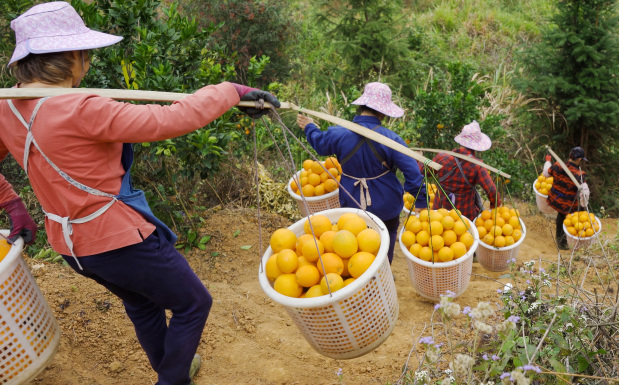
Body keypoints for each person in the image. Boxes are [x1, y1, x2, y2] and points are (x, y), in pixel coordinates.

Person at [0, 2, 280, 385]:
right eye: (85, 55)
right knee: (194, 303)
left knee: (143, 305)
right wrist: (231, 90)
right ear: (72, 58)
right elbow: (169, 119)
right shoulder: (80, 107)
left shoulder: (7, 106)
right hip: (117, 242)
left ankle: (171, 366)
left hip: (70, 247)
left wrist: (13, 205)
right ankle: (172, 379)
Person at [296, 82, 427, 265]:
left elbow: (319, 143)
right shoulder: (391, 139)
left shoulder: (338, 133)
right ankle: (383, 274)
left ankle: (360, 278)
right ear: (383, 113)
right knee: (385, 241)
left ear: (361, 106)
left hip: (352, 202)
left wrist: (310, 127)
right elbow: (413, 174)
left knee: (353, 246)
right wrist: (421, 201)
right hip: (386, 204)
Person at [421, 121, 501, 221]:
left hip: (440, 213)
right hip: (464, 217)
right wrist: (494, 208)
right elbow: (493, 192)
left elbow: (423, 171)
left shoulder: (442, 157)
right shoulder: (478, 166)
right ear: (476, 146)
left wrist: (419, 158)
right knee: (464, 236)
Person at [543, 147, 590, 250]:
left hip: (556, 200)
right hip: (569, 205)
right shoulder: (579, 174)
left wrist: (548, 161)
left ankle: (559, 241)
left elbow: (546, 173)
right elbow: (584, 193)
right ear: (579, 160)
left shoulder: (557, 165)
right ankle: (568, 242)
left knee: (561, 215)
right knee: (571, 220)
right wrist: (583, 205)